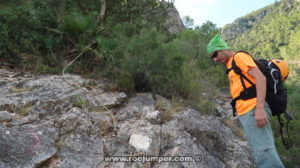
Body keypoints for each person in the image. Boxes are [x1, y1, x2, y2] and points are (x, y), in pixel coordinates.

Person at [207, 34, 285, 168]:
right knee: (259, 152)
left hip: (253, 108)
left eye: (215, 54)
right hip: (247, 111)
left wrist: (259, 109)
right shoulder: (230, 64)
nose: (215, 59)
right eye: (212, 57)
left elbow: (260, 78)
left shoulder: (238, 57)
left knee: (264, 152)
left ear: (223, 49)